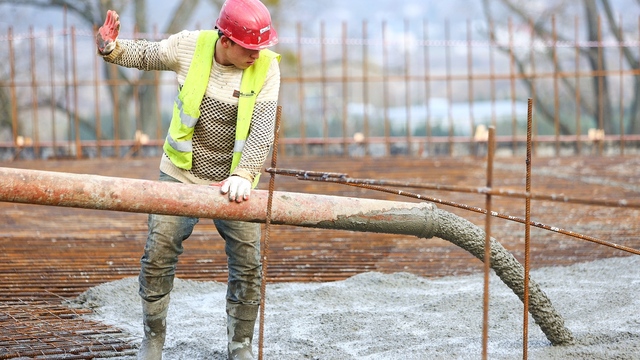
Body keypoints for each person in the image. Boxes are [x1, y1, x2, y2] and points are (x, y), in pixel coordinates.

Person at [95, 0, 280, 359]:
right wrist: (111, 48)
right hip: (180, 173)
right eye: (249, 48)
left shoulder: (267, 68)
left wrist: (244, 173)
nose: (257, 54)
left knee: (248, 262)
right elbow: (147, 54)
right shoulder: (189, 46)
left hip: (234, 183)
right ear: (225, 40)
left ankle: (240, 347)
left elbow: (262, 128)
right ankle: (153, 339)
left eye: (261, 47)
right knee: (159, 251)